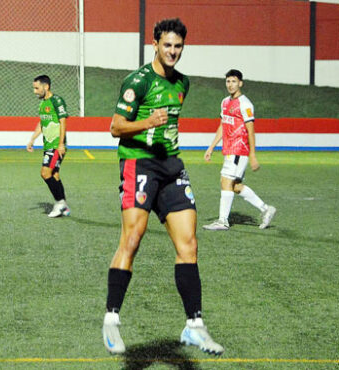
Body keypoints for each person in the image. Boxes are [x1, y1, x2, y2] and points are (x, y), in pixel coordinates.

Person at [101, 18, 224, 356]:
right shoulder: (137, 82)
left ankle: (194, 326)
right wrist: (146, 122)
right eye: (167, 45)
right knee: (132, 238)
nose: (173, 51)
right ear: (154, 43)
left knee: (189, 244)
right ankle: (111, 318)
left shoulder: (183, 83)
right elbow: (115, 127)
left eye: (178, 46)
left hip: (172, 167)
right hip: (138, 164)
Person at [203, 69, 276, 231]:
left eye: (234, 81)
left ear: (240, 83)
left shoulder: (245, 104)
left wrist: (253, 155)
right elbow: (223, 125)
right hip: (229, 149)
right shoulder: (225, 102)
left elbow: (251, 130)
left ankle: (223, 221)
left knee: (225, 181)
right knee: (234, 186)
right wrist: (211, 146)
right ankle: (266, 209)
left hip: (238, 149)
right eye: (228, 81)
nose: (230, 84)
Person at [26, 75, 70, 217]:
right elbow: (42, 123)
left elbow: (63, 122)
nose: (35, 91)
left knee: (45, 173)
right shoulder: (42, 104)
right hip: (48, 145)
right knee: (55, 174)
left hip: (56, 145)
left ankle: (59, 203)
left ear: (46, 87)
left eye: (37, 88)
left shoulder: (57, 101)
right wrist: (32, 139)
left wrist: (61, 144)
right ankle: (64, 206)